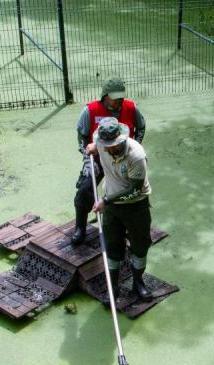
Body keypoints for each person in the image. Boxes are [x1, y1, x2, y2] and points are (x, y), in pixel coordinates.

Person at [72, 78, 146, 245]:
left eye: (121, 97)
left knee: (128, 192)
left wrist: (135, 145)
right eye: (115, 97)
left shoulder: (131, 108)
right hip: (98, 157)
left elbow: (141, 126)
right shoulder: (90, 110)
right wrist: (87, 159)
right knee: (85, 189)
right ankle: (80, 227)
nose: (119, 101)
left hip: (124, 157)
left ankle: (126, 227)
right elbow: (82, 135)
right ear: (105, 96)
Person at [88, 117, 153, 301]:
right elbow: (95, 146)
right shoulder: (102, 145)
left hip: (136, 206)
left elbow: (135, 189)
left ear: (121, 138)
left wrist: (105, 201)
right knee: (112, 246)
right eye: (104, 145)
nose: (108, 149)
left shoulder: (136, 155)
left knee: (140, 246)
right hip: (112, 209)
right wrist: (93, 148)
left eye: (112, 145)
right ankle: (113, 287)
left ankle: (138, 282)